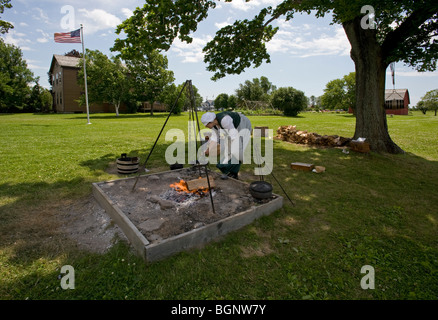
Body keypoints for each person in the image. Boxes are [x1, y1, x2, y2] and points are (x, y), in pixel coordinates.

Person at [201, 111, 252, 179]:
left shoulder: (224, 120)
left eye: (206, 125)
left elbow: (234, 137)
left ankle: (234, 172)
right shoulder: (214, 125)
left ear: (211, 121)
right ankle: (232, 171)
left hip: (242, 124)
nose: (206, 126)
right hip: (232, 129)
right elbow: (214, 139)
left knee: (237, 151)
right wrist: (208, 150)